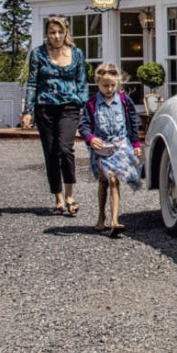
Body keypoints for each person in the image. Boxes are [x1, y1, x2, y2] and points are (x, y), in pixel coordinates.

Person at [21, 16, 89, 216]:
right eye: (52, 32)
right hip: (45, 108)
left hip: (69, 107)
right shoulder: (38, 54)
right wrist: (27, 111)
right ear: (47, 34)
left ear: (66, 32)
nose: (56, 36)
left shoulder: (76, 54)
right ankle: (58, 199)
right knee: (51, 152)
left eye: (60, 32)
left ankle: (70, 195)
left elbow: (82, 82)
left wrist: (85, 108)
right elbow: (32, 83)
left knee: (65, 149)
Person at [77, 63, 144, 238]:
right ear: (98, 84)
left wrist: (136, 144)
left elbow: (134, 122)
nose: (109, 89)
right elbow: (83, 126)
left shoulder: (123, 100)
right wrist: (91, 139)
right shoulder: (92, 103)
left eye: (113, 85)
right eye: (105, 85)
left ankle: (114, 221)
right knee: (103, 182)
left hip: (120, 146)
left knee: (114, 181)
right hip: (101, 148)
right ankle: (101, 216)